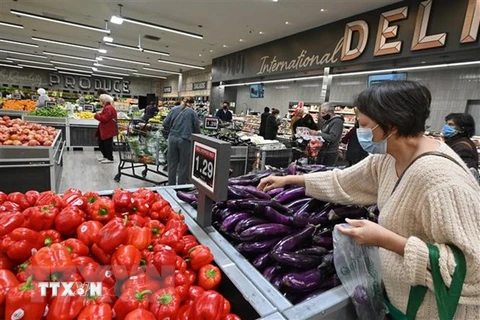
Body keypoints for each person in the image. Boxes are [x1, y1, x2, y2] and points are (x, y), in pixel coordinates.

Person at [258, 81, 480, 320]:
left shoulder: (442, 182)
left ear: (392, 125)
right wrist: (292, 180)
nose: (358, 131)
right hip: (401, 303)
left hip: (433, 312)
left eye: (363, 125)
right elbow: (344, 181)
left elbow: (473, 270)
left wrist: (388, 240)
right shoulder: (389, 157)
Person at [163, 97, 200, 185]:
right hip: (185, 140)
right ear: (191, 103)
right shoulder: (192, 113)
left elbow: (165, 123)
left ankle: (171, 185)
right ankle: (181, 187)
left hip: (172, 139)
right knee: (183, 165)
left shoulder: (173, 109)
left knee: (172, 164)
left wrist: (171, 130)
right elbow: (197, 129)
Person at [94, 94, 118, 164]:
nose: (100, 102)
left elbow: (104, 119)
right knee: (102, 143)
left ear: (103, 101)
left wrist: (96, 115)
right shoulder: (108, 107)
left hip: (107, 129)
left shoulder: (108, 108)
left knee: (107, 144)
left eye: (100, 100)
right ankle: (105, 156)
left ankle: (110, 158)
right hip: (107, 128)